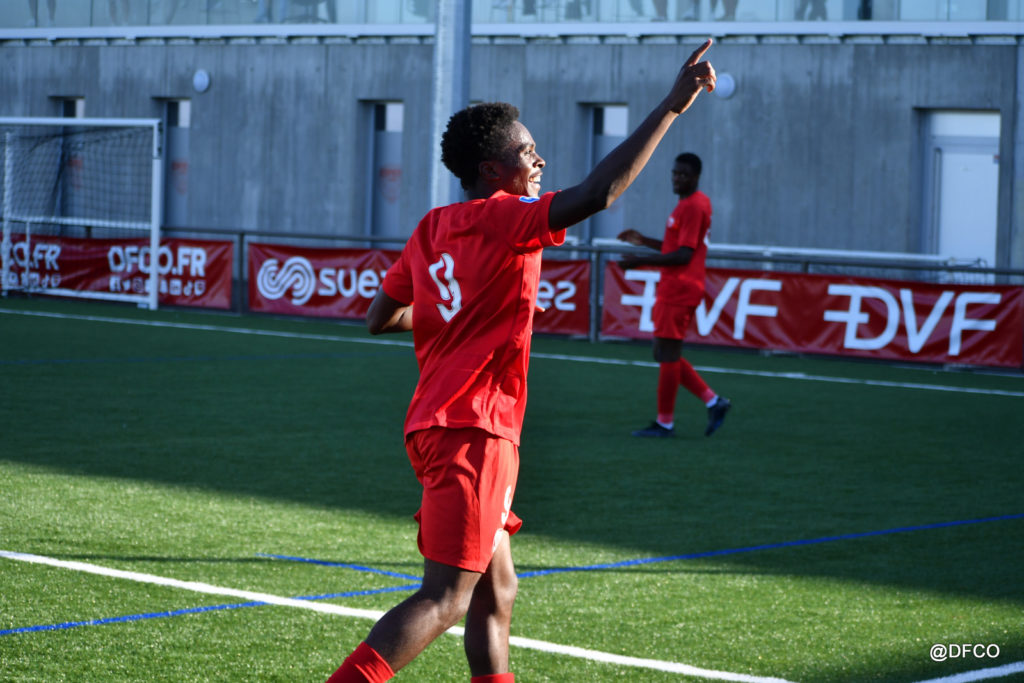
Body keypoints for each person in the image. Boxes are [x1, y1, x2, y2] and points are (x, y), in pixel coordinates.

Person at [323, 39, 716, 683]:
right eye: (526, 152)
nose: (538, 161)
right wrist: (671, 106)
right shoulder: (511, 220)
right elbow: (598, 193)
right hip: (476, 429)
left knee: (495, 592)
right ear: (492, 169)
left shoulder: (430, 226)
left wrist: (456, 314)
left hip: (432, 423)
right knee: (445, 597)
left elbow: (379, 318)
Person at [618, 152, 731, 438]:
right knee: (663, 352)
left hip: (680, 287)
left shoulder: (693, 206)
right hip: (678, 286)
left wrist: (640, 259)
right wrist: (643, 241)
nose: (677, 179)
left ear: (695, 177)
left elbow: (683, 255)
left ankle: (665, 423)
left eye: (683, 174)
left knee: (667, 353)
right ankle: (713, 401)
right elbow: (676, 247)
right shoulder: (691, 204)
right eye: (674, 173)